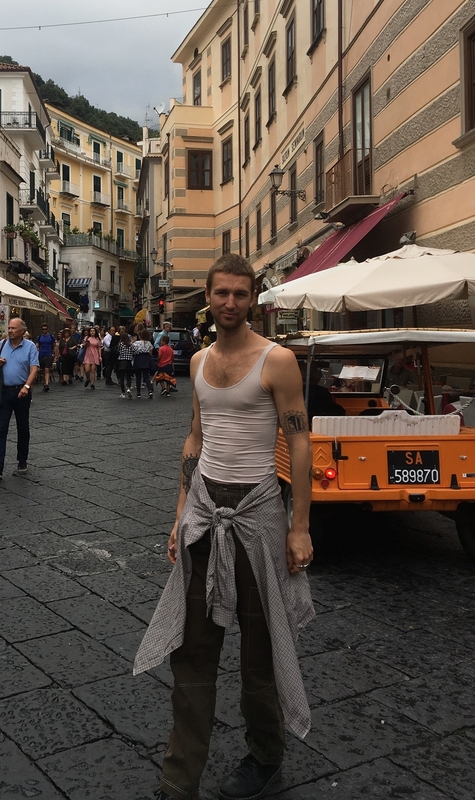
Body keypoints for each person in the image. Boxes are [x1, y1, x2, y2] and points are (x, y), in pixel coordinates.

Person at [135, 254, 315, 800]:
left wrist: (299, 525)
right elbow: (195, 438)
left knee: (260, 649)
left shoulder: (277, 360)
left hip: (258, 515)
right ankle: (178, 777)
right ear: (209, 297)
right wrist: (178, 514)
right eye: (222, 294)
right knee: (193, 650)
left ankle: (265, 754)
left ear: (253, 300)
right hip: (204, 514)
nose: (231, 303)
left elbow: (301, 440)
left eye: (241, 294)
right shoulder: (196, 363)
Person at [0, 317, 39, 482]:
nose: (9, 331)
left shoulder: (30, 347)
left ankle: (22, 461)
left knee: (22, 427)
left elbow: (34, 369)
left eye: (13, 328)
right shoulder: (2, 345)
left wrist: (27, 387)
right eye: (8, 328)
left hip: (21, 392)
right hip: (4, 392)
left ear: (22, 331)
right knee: (0, 428)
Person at [132, 326, 154, 399]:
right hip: (146, 359)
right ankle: (150, 390)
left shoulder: (136, 343)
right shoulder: (149, 343)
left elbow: (134, 351)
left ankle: (138, 392)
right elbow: (150, 353)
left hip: (139, 358)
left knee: (138, 377)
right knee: (146, 377)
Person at [35, 322, 57, 392]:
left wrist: (56, 355)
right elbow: (37, 346)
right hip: (41, 355)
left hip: (48, 354)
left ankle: (46, 384)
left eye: (45, 329)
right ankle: (45, 383)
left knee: (47, 369)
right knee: (43, 370)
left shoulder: (51, 337)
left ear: (48, 329)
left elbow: (54, 346)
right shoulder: (39, 337)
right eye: (43, 329)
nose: (44, 330)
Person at [81, 326, 102, 390]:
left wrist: (100, 356)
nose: (92, 332)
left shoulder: (97, 339)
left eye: (93, 331)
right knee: (87, 370)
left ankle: (92, 384)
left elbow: (99, 347)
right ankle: (88, 379)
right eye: (91, 331)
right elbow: (83, 345)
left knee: (93, 370)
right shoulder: (87, 338)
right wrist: (85, 344)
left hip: (95, 355)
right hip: (88, 354)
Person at [116, 326, 134, 399]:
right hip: (129, 362)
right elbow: (134, 352)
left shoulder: (120, 345)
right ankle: (128, 388)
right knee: (129, 377)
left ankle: (123, 393)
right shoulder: (131, 345)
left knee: (122, 378)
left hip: (121, 362)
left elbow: (118, 352)